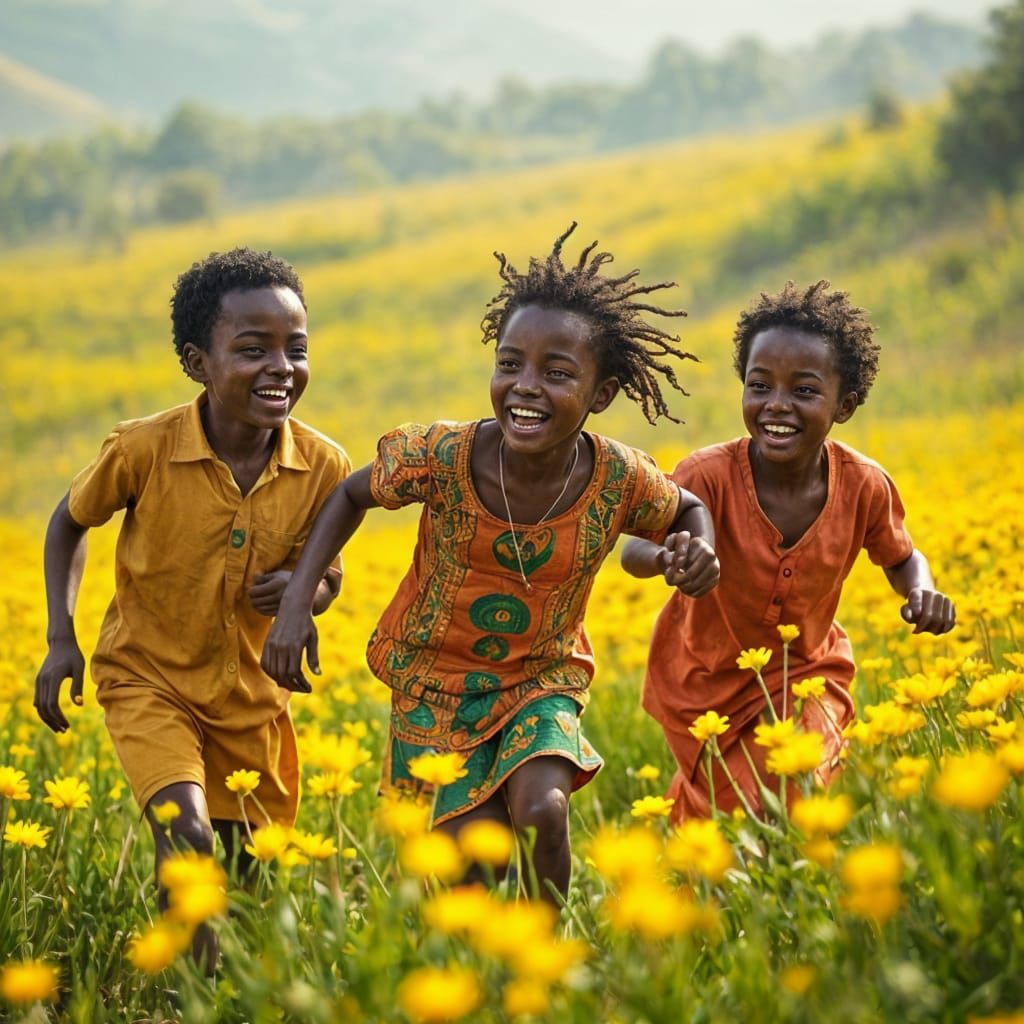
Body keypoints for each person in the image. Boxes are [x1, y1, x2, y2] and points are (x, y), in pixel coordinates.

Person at [261, 224, 720, 902]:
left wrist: (697, 548)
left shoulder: (619, 477)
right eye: (510, 365)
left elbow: (685, 508)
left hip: (540, 678)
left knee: (542, 811)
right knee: (470, 872)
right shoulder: (441, 456)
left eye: (557, 373)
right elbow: (351, 492)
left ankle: (545, 957)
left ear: (602, 393)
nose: (525, 388)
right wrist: (298, 601)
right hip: (434, 684)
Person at [34, 248, 351, 949]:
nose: (281, 367)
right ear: (196, 362)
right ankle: (188, 996)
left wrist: (308, 593)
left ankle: (216, 978)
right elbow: (69, 521)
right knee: (188, 834)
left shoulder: (325, 466)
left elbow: (326, 575)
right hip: (148, 678)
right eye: (251, 349)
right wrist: (62, 636)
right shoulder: (143, 448)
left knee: (245, 881)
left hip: (252, 701)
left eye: (296, 349)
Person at [621, 280, 955, 822]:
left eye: (803, 391)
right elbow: (634, 546)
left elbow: (901, 557)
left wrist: (923, 590)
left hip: (808, 672)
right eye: (760, 386)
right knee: (735, 816)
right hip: (703, 685)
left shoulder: (864, 484)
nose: (777, 405)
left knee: (799, 788)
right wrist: (669, 558)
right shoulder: (706, 475)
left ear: (844, 405)